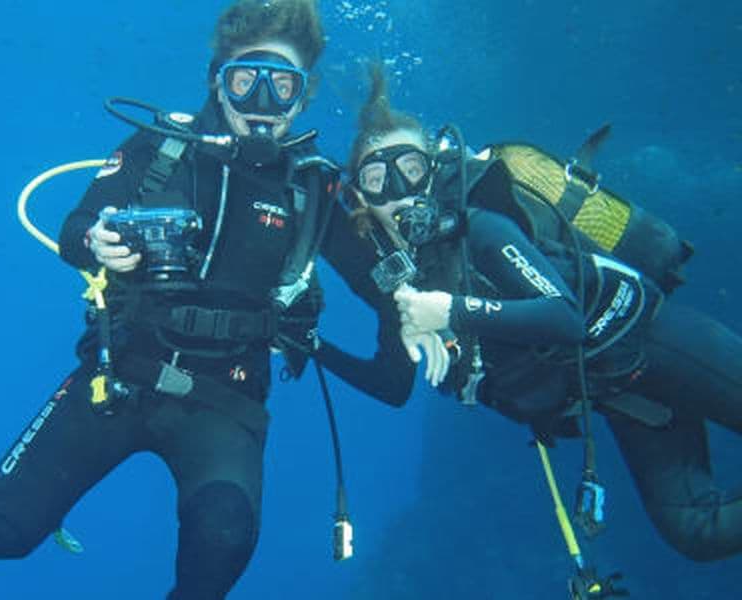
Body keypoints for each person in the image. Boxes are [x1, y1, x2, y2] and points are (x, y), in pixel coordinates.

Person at [0, 2, 398, 598]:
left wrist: (428, 315)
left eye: (282, 86)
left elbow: (384, 288)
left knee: (222, 547)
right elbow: (74, 226)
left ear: (303, 97)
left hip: (228, 401)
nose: (261, 104)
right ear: (217, 82)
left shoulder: (314, 188)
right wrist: (96, 241)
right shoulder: (160, 146)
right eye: (245, 81)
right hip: (118, 377)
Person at [316, 64, 742, 565]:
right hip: (623, 395)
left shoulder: (481, 228)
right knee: (697, 530)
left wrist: (449, 309)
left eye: (409, 169)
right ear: (362, 202)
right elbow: (391, 386)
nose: (399, 190)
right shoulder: (407, 290)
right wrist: (311, 345)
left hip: (653, 339)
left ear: (434, 171)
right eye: (376, 179)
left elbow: (565, 319)